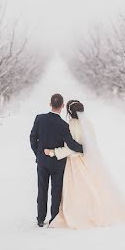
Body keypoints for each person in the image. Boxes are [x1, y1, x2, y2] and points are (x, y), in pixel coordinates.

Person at [45, 99, 125, 229]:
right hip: (87, 160)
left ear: (69, 112)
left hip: (74, 162)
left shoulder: (70, 125)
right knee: (92, 186)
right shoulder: (89, 124)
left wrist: (53, 152)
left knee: (76, 189)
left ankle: (80, 214)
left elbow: (70, 148)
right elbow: (90, 145)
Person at [30, 93, 83, 227]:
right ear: (62, 106)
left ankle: (40, 219)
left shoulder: (39, 119)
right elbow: (71, 144)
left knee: (42, 189)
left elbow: (32, 138)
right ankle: (54, 218)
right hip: (58, 163)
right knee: (56, 191)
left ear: (50, 104)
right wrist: (84, 148)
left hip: (42, 161)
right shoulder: (64, 125)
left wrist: (38, 154)